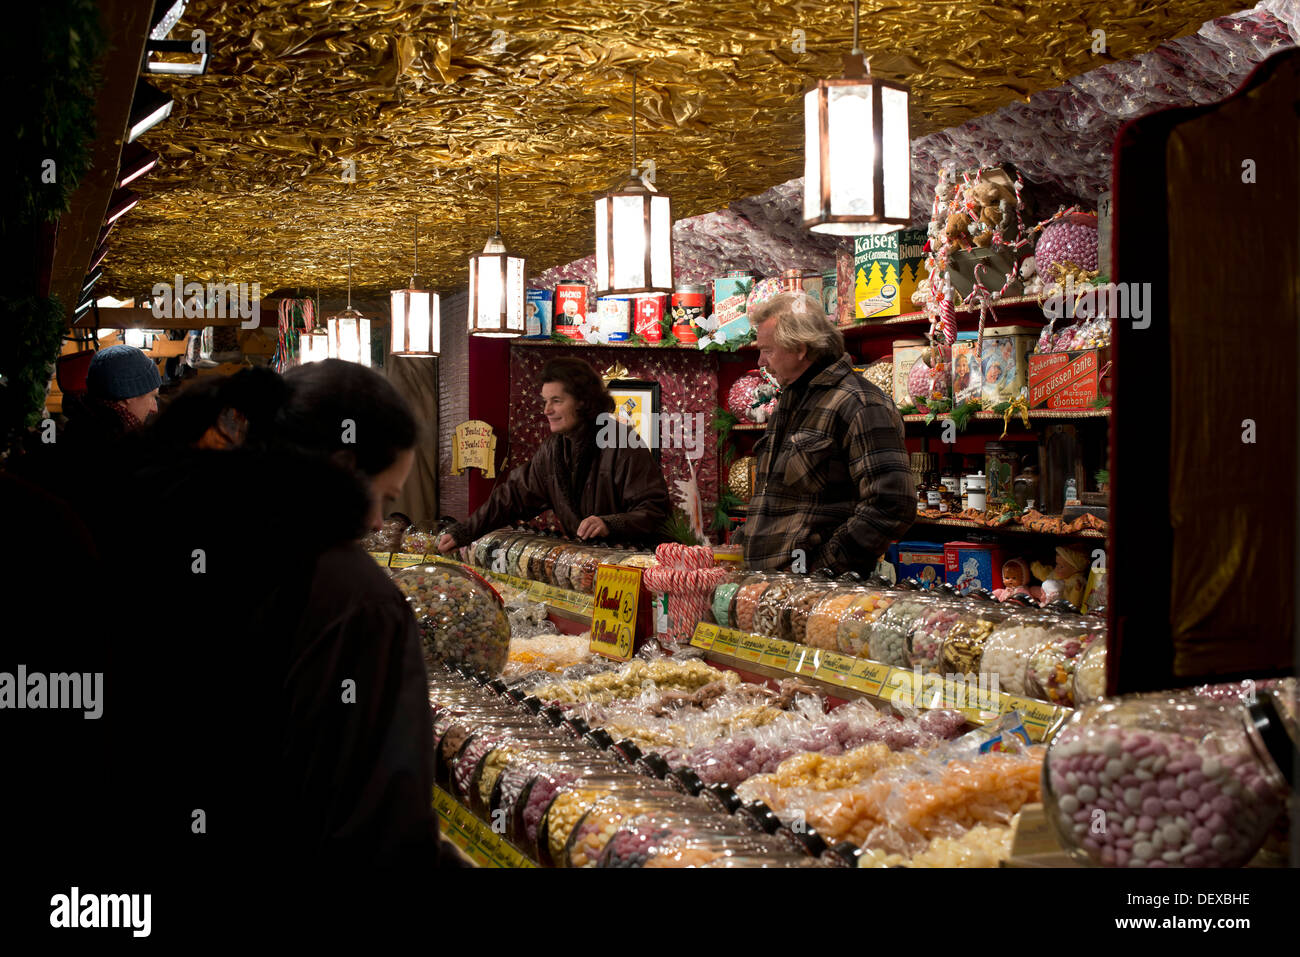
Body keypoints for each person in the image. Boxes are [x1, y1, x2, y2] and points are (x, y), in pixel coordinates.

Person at [82, 359, 456, 916]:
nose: (380, 523)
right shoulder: (357, 599)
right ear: (345, 465)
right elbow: (380, 829)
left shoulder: (163, 532)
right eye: (384, 496)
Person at [735, 291, 916, 574]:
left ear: (800, 347)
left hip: (819, 596)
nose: (760, 362)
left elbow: (892, 504)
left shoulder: (860, 402)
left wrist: (825, 569)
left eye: (767, 350)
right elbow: (778, 500)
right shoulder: (790, 399)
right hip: (769, 589)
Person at [437, 357, 670, 552]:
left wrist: (610, 523)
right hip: (583, 566)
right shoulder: (553, 448)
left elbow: (655, 511)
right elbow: (512, 497)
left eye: (556, 401)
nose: (547, 410)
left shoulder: (622, 442)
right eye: (545, 401)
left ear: (583, 401)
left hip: (632, 567)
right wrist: (465, 532)